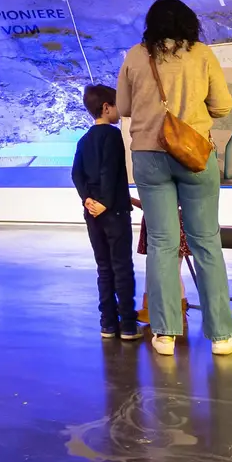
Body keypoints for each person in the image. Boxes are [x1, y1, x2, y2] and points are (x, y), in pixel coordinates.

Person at [115, 0, 232, 358]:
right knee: (206, 243)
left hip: (148, 155)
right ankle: (221, 336)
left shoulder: (136, 55)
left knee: (162, 244)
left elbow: (123, 108)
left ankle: (165, 334)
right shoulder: (201, 54)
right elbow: (222, 105)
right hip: (194, 154)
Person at [73, 84, 138, 341]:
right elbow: (110, 172)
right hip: (115, 212)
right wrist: (107, 202)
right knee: (122, 266)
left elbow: (77, 174)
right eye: (116, 104)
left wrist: (88, 199)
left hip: (93, 214)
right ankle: (129, 325)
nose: (120, 110)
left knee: (104, 267)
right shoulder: (113, 136)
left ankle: (108, 323)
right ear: (106, 107)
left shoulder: (83, 140)